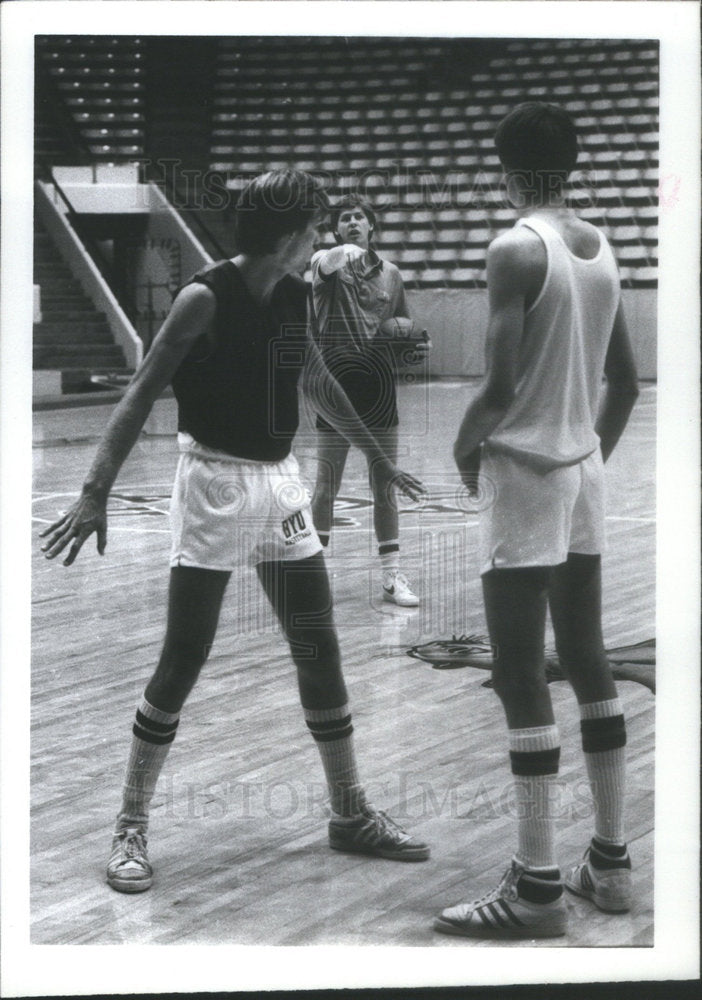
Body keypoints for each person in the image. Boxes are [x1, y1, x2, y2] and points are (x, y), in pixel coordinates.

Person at [40, 169, 430, 894]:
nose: (322, 239)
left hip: (278, 480)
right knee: (185, 656)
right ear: (288, 233)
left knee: (319, 647)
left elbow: (316, 380)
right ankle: (130, 822)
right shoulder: (202, 299)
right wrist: (94, 492)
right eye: (314, 227)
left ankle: (348, 812)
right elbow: (140, 392)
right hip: (212, 481)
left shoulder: (293, 293)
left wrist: (380, 458)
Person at [434, 103, 640, 938]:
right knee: (588, 663)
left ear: (507, 167)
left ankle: (537, 890)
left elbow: (498, 388)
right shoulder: (603, 248)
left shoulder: (515, 248)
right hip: (582, 470)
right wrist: (586, 458)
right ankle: (613, 864)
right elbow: (624, 382)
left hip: (524, 475)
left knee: (522, 676)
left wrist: (461, 446)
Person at [310, 197, 430, 607]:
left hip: (378, 384)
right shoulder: (324, 265)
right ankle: (314, 576)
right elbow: (327, 263)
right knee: (327, 486)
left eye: (360, 217)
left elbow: (404, 327)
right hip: (336, 384)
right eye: (345, 219)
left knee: (385, 485)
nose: (353, 222)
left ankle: (392, 576)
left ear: (372, 226)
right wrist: (344, 252)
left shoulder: (392, 274)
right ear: (336, 231)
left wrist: (413, 345)